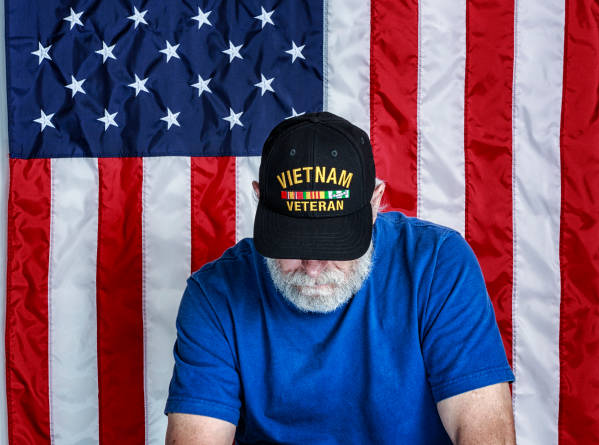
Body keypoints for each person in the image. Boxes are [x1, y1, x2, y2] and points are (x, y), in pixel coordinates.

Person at [165, 112, 516, 444]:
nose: (314, 266)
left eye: (336, 245)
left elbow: (483, 432)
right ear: (259, 200)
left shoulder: (437, 264)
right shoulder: (214, 295)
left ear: (375, 203)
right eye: (293, 243)